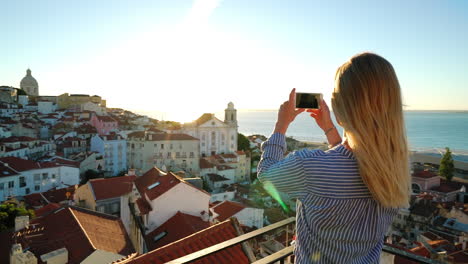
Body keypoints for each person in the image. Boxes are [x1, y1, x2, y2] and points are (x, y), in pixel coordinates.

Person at [257, 52, 410, 263]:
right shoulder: (395, 169)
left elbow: (266, 176)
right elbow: (354, 164)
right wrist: (329, 129)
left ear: (338, 106)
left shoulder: (309, 166)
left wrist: (281, 126)